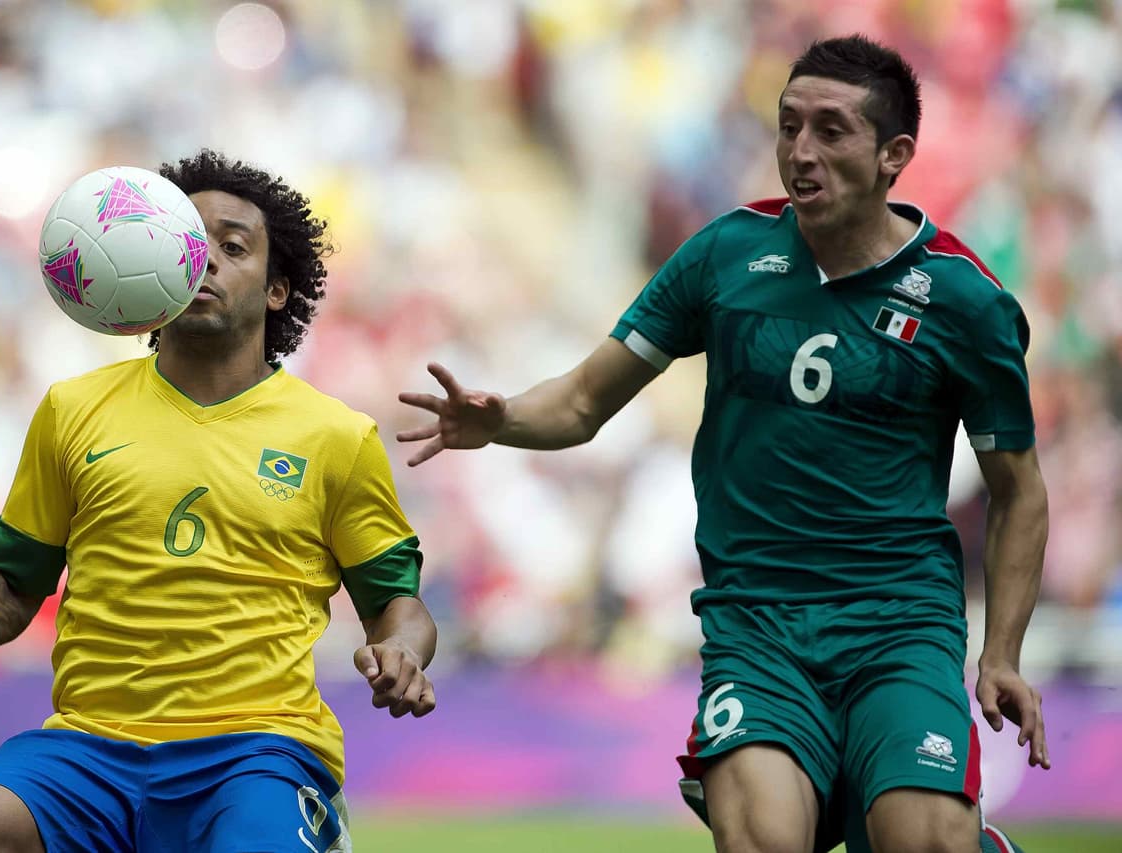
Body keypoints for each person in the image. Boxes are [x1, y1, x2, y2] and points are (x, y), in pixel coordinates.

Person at [398, 35, 1046, 853]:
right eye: (787, 126)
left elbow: (1020, 489)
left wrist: (1003, 653)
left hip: (899, 625)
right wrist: (500, 422)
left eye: (831, 131)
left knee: (920, 843)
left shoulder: (964, 300)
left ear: (896, 155)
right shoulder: (726, 256)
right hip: (758, 625)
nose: (800, 152)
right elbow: (583, 400)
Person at [0, 149, 438, 853]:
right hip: (91, 750)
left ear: (276, 289)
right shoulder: (72, 410)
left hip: (255, 753)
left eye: (232, 246)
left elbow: (398, 604)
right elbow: (14, 586)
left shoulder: (336, 436)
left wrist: (401, 652)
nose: (202, 258)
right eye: (183, 241)